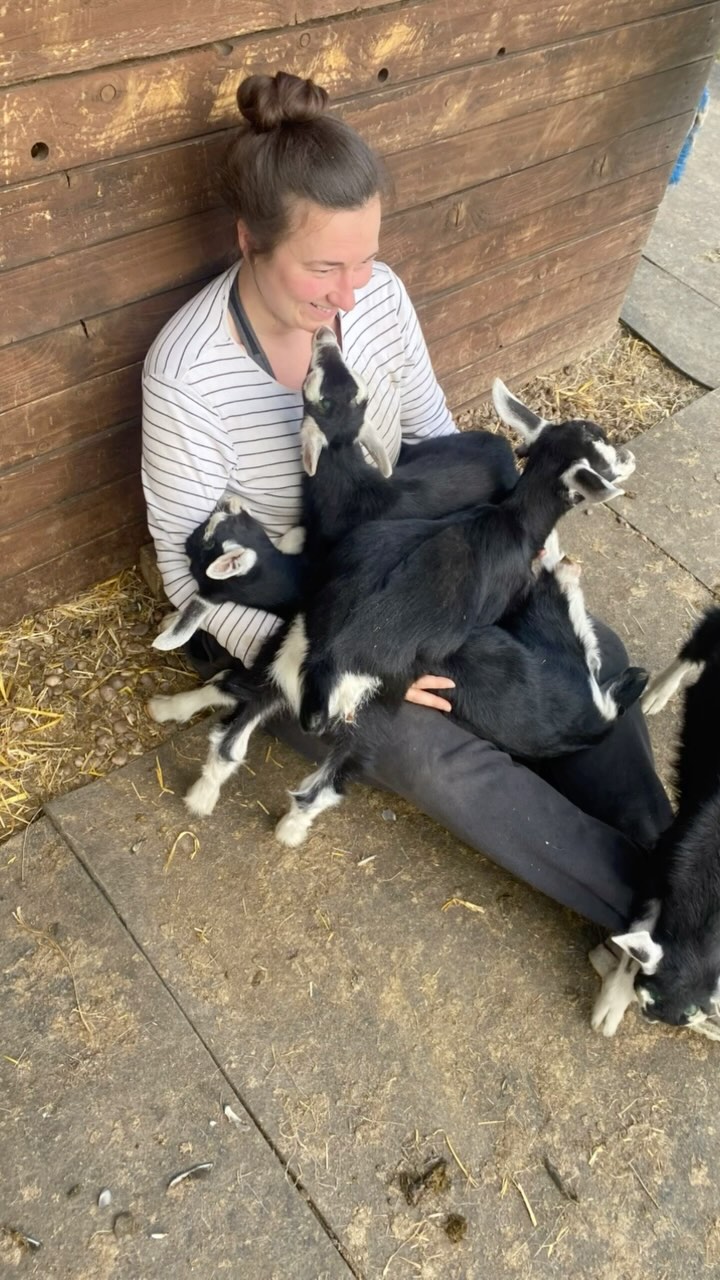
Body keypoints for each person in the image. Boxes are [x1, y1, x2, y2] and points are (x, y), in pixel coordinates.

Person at [142, 71, 672, 934]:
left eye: (364, 258)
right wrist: (372, 659)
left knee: (585, 651)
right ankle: (659, 925)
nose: (351, 292)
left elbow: (431, 434)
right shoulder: (186, 375)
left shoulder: (378, 295)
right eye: (322, 267)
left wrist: (501, 562)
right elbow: (185, 572)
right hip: (311, 627)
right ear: (248, 239)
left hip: (414, 555)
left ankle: (675, 858)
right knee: (426, 751)